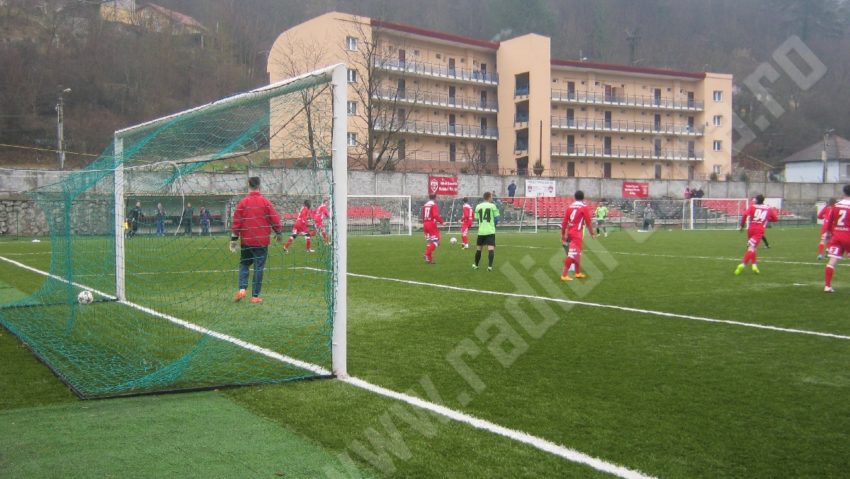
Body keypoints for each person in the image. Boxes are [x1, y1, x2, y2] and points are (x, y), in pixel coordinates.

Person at [230, 176, 283, 304]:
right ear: (260, 186)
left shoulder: (243, 202)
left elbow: (237, 221)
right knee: (258, 267)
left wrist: (233, 239)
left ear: (248, 185)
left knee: (244, 264)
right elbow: (274, 218)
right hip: (261, 241)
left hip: (246, 241)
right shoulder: (265, 202)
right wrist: (279, 232)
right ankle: (255, 296)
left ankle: (242, 289)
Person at [735, 194, 778, 275]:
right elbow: (775, 219)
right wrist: (767, 219)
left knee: (753, 248)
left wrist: (742, 225)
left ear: (757, 200)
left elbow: (744, 215)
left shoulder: (752, 207)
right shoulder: (768, 208)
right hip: (759, 230)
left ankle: (754, 266)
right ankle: (742, 264)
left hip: (751, 229)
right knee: (751, 248)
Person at [560, 190, 595, 281]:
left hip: (570, 232)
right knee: (572, 255)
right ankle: (564, 275)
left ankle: (577, 273)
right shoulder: (584, 207)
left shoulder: (570, 207)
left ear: (575, 197)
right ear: (583, 197)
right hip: (577, 233)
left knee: (577, 253)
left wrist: (563, 236)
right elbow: (588, 222)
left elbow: (564, 223)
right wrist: (592, 233)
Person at [824, 185, 850, 292]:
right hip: (848, 236)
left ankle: (827, 286)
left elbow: (830, 221)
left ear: (844, 193)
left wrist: (828, 234)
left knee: (832, 261)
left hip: (837, 236)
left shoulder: (836, 205)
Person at [472, 192, 499, 271]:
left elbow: (477, 219)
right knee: (491, 249)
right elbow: (497, 218)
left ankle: (476, 265)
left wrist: (481, 224)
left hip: (481, 231)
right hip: (490, 231)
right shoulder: (492, 206)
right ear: (489, 197)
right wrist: (493, 225)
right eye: (491, 197)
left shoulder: (478, 206)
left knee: (478, 249)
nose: (492, 198)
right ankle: (489, 267)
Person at [421, 193, 444, 264]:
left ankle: (429, 259)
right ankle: (426, 254)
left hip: (425, 224)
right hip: (431, 224)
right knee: (436, 241)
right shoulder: (434, 205)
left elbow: (422, 215)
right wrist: (442, 222)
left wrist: (424, 223)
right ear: (435, 198)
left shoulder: (425, 205)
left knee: (429, 242)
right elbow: (435, 215)